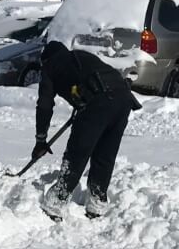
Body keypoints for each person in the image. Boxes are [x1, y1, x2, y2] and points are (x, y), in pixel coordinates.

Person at [32, 41, 141, 220]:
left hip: (99, 101)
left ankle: (55, 203)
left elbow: (44, 105)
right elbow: (87, 80)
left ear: (45, 60)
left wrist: (40, 139)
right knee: (105, 154)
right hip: (123, 98)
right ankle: (97, 203)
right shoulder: (81, 56)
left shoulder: (50, 66)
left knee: (77, 152)